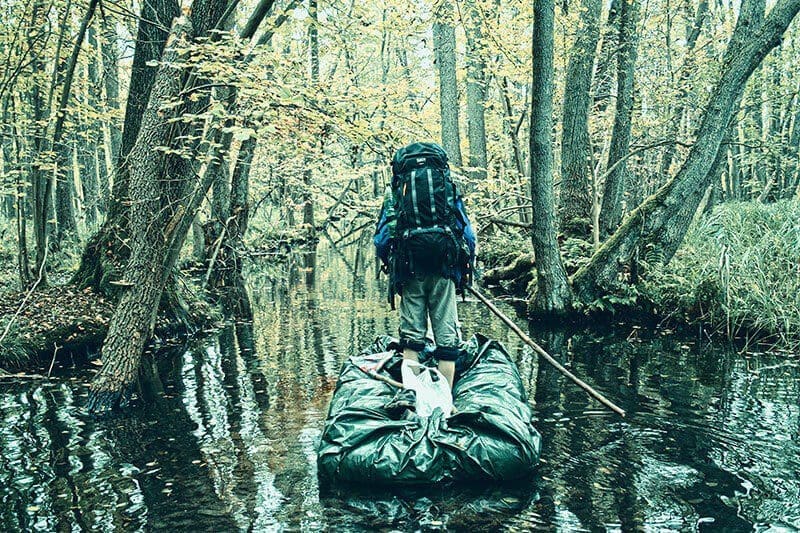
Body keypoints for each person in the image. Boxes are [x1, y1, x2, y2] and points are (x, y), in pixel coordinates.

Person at [374, 142, 476, 388]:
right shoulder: (448, 189)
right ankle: (445, 402)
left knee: (411, 341)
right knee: (447, 343)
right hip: (444, 268)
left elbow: (382, 239)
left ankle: (413, 396)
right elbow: (468, 235)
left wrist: (393, 264)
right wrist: (465, 268)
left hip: (409, 270)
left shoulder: (394, 194)